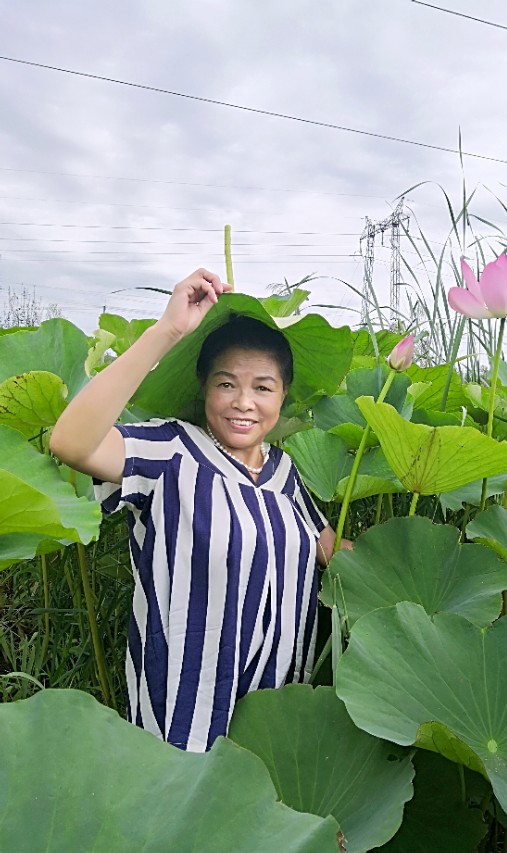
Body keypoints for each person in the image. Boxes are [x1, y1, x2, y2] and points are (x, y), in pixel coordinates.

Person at [50, 268, 350, 752]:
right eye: (226, 384)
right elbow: (70, 442)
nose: (244, 403)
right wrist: (166, 331)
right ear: (204, 386)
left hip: (272, 725)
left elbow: (333, 551)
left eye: (263, 388)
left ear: (284, 395)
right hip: (183, 721)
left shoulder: (285, 474)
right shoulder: (171, 450)